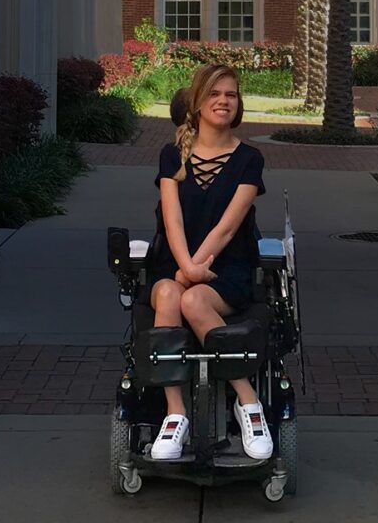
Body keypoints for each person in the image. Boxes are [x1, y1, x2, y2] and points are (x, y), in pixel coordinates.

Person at [148, 64, 272, 461]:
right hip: (174, 263)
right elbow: (172, 220)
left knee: (192, 299)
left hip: (226, 269)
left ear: (239, 105)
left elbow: (227, 228)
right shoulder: (172, 155)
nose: (223, 101)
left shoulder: (249, 159)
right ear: (198, 102)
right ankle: (175, 414)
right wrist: (185, 269)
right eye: (215, 94)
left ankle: (248, 403)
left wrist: (193, 272)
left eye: (231, 95)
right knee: (170, 293)